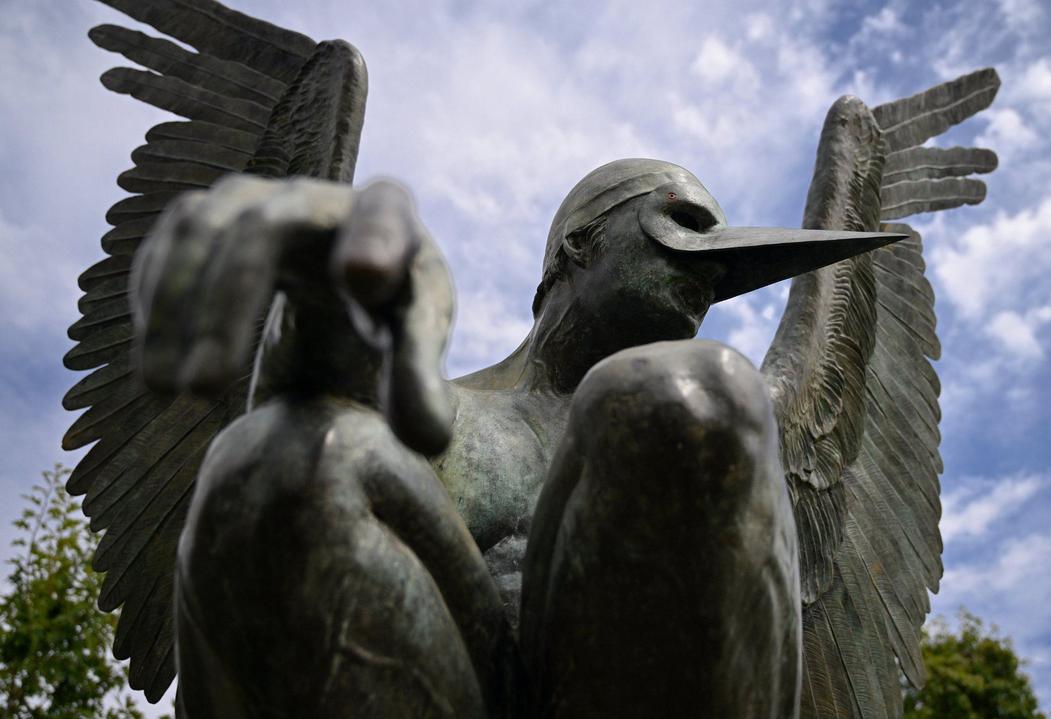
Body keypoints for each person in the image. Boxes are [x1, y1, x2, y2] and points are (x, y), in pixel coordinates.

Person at [144, 159, 895, 718]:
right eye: (683, 227)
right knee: (285, 449)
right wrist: (322, 307)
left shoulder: (711, 423)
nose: (714, 267)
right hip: (434, 681)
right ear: (579, 244)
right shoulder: (435, 414)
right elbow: (296, 477)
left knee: (685, 396)